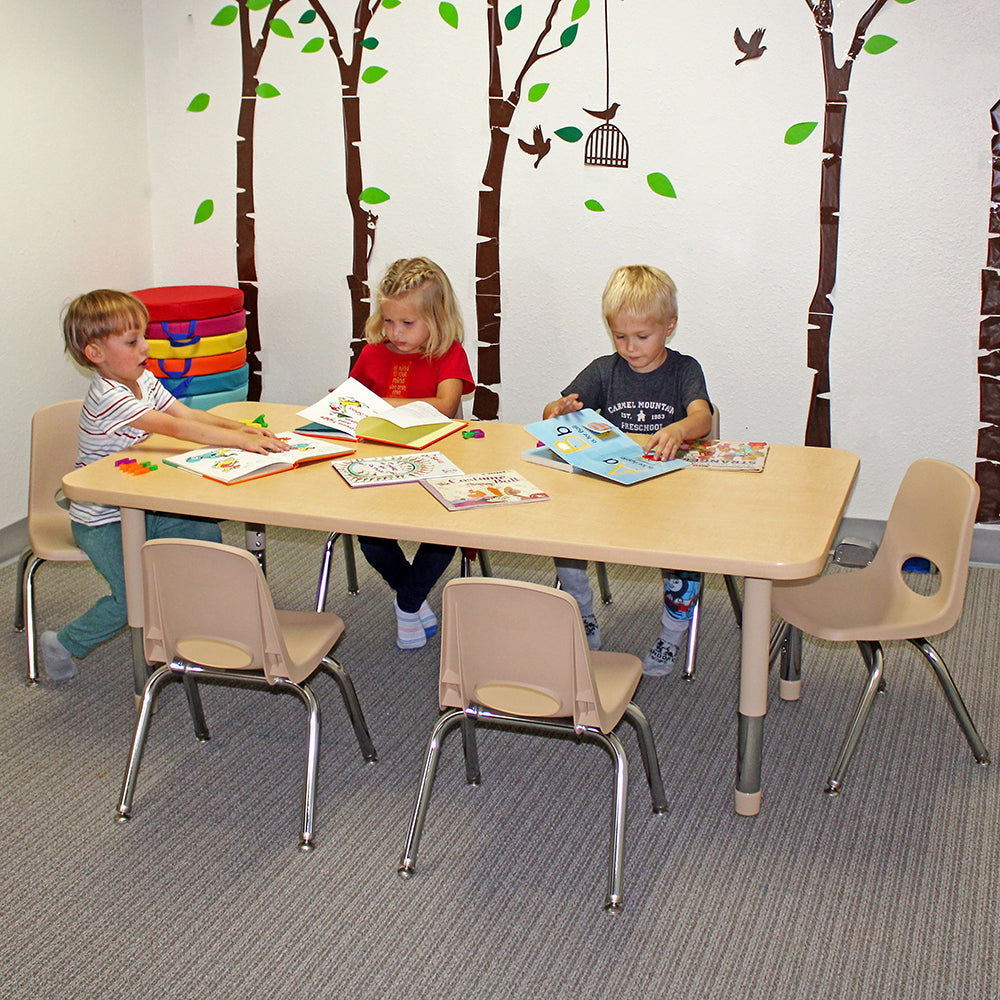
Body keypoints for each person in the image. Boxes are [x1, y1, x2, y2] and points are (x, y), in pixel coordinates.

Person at [41, 289, 288, 682]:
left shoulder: (143, 378)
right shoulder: (109, 397)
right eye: (133, 341)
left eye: (143, 336)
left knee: (203, 537)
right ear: (95, 354)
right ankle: (64, 642)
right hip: (102, 519)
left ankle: (209, 629)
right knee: (132, 597)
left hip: (145, 502)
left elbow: (187, 413)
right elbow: (174, 428)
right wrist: (241, 441)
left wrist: (238, 427)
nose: (146, 347)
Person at [542, 265, 713, 676]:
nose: (631, 348)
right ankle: (582, 615)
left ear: (669, 326)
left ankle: (672, 635)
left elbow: (703, 418)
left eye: (642, 337)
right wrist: (557, 410)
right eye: (620, 337)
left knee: (684, 555)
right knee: (565, 538)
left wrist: (677, 428)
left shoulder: (684, 369)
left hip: (668, 492)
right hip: (612, 490)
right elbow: (553, 412)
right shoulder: (605, 370)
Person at [349, 257, 475, 650]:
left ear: (436, 319)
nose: (395, 333)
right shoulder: (373, 354)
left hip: (441, 463)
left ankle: (406, 602)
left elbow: (446, 403)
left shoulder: (448, 354)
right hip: (381, 463)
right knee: (369, 536)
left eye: (407, 323)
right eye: (388, 321)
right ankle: (412, 595)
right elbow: (352, 401)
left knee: (443, 536)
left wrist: (380, 403)